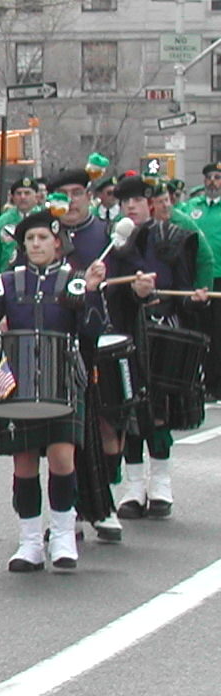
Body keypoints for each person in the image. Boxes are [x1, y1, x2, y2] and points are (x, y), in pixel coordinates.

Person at [0, 208, 105, 571]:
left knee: (61, 458)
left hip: (61, 381)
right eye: (30, 239)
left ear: (58, 243)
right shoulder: (7, 282)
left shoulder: (73, 279)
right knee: (24, 463)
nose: (36, 244)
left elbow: (91, 331)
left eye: (43, 238)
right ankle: (29, 542)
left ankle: (61, 536)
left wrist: (91, 293)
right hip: (18, 383)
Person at [102, 174, 208, 523]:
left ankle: (160, 483)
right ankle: (133, 487)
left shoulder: (175, 238)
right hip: (124, 333)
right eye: (124, 202)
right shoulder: (114, 243)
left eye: (137, 201)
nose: (130, 207)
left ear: (151, 204)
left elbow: (185, 288)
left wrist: (195, 297)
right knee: (130, 411)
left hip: (161, 332)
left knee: (157, 410)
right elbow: (106, 291)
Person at [174, 162, 221, 400]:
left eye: (217, 177)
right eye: (209, 177)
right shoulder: (191, 207)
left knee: (217, 332)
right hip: (196, 279)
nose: (213, 181)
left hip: (219, 279)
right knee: (197, 332)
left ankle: (215, 383)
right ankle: (197, 380)